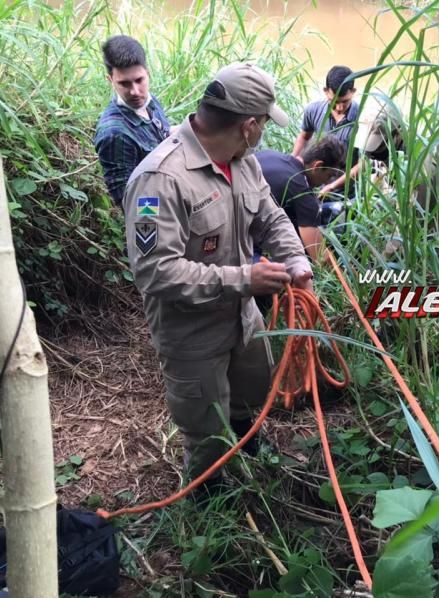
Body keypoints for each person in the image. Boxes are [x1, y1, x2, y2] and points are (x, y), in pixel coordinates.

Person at [122, 62, 313, 498]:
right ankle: (210, 508)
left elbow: (268, 215)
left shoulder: (242, 162)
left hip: (242, 319)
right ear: (248, 126)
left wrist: (297, 261)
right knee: (207, 430)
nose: (265, 131)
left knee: (248, 395)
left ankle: (248, 455)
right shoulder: (160, 179)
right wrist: (245, 278)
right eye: (264, 122)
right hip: (191, 333)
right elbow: (156, 271)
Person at [359, 104, 439, 257]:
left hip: (432, 241)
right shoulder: (398, 148)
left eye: (380, 148)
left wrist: (383, 260)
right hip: (409, 214)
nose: (376, 156)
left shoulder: (421, 169)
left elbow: (414, 225)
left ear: (397, 133)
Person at [94, 35, 171, 208]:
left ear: (148, 73)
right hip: (158, 220)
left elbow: (162, 134)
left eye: (139, 80)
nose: (135, 91)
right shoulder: (114, 134)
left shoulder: (149, 102)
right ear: (110, 80)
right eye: (124, 84)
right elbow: (130, 201)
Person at [255, 135, 346, 262]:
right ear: (317, 166)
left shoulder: (269, 154)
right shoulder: (302, 194)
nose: (327, 182)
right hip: (238, 244)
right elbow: (320, 257)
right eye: (330, 176)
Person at [291, 66, 362, 198]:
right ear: (325, 91)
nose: (340, 107)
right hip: (316, 184)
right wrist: (291, 163)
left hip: (345, 192)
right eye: (334, 101)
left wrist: (332, 186)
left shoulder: (363, 118)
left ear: (353, 91)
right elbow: (304, 137)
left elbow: (363, 163)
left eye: (345, 101)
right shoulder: (313, 110)